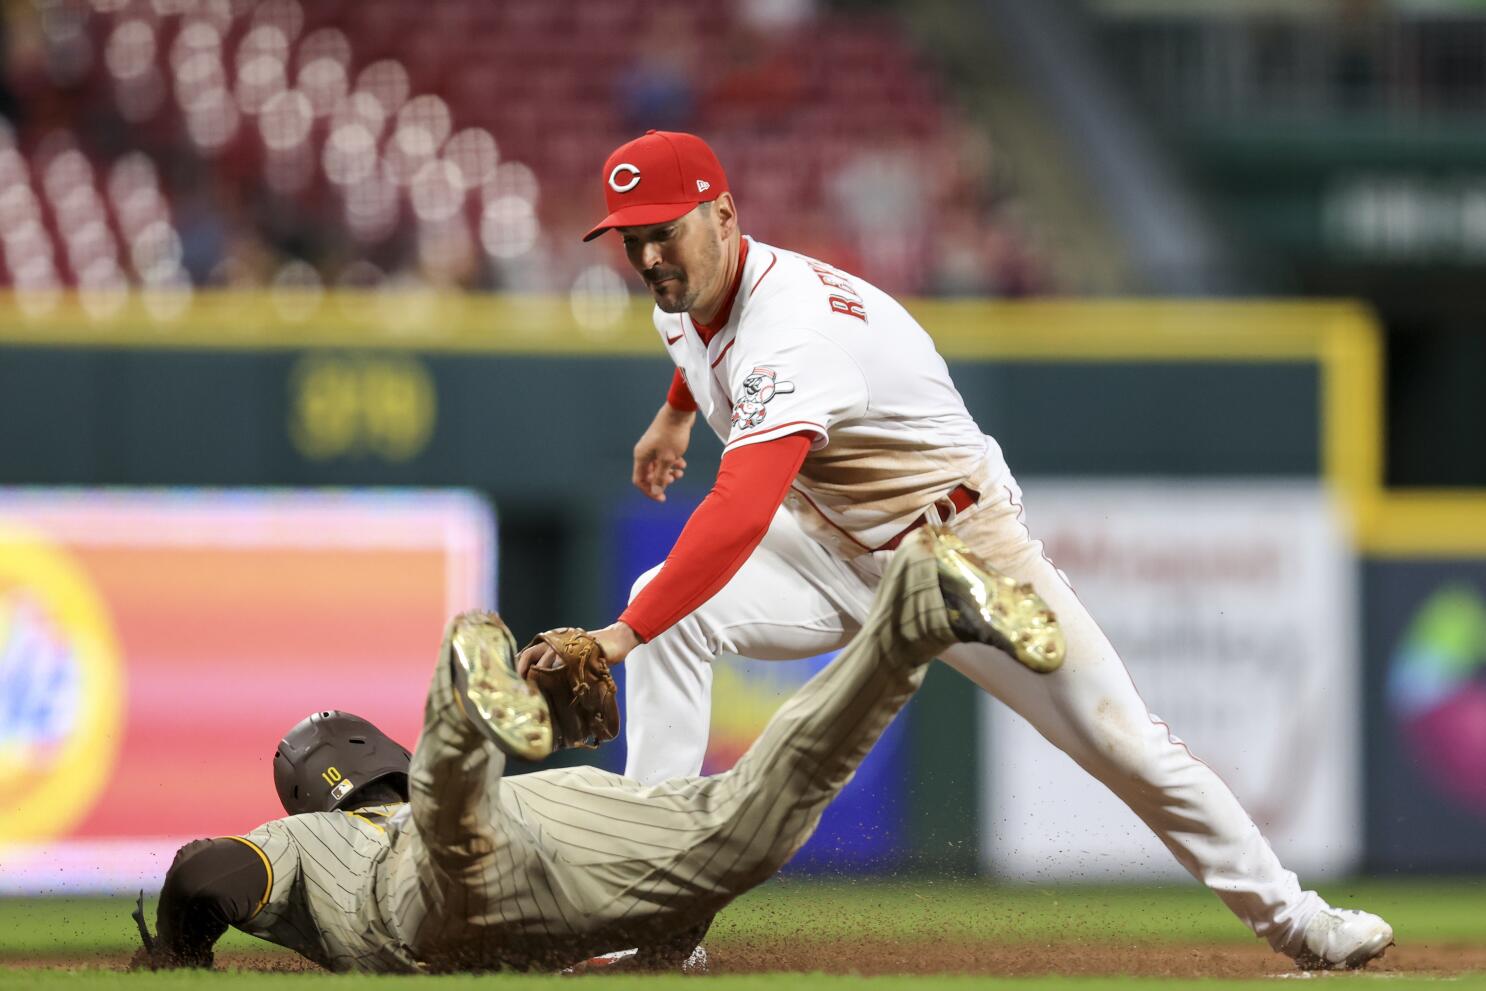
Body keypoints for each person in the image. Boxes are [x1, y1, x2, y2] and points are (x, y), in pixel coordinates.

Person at [533, 129, 1394, 971]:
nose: (648, 258)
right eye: (633, 239)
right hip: (839, 547)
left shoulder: (793, 334)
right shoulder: (686, 299)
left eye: (665, 232)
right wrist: (676, 413)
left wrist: (618, 636)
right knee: (670, 610)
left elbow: (738, 511)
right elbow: (698, 350)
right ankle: (656, 915)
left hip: (963, 556)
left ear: (722, 214)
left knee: (1123, 742)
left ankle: (1299, 920)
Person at [130, 528, 1042, 974]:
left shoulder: (305, 839)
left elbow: (206, 868)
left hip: (424, 880)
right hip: (572, 815)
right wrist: (669, 914)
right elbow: (671, 917)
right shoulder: (403, 802)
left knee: (455, 841)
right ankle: (913, 618)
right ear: (382, 755)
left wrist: (177, 948)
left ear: (304, 794)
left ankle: (468, 695)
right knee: (750, 822)